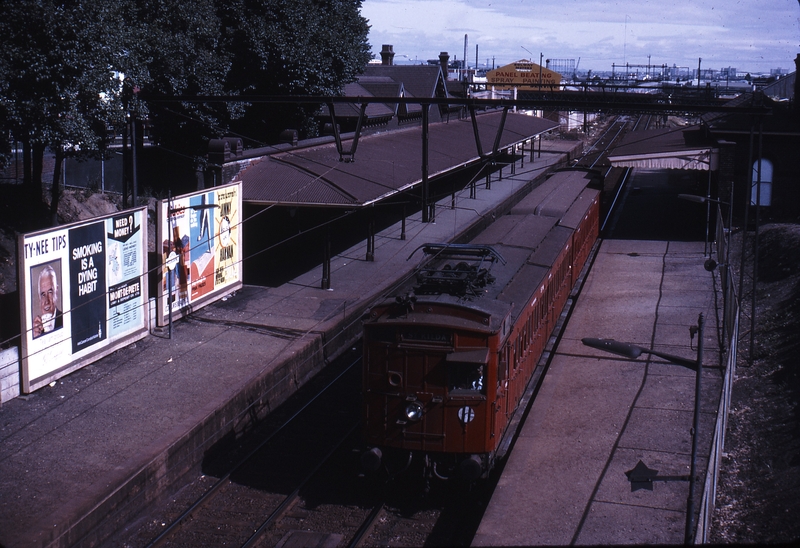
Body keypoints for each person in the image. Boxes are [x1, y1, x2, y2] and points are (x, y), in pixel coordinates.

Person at [32, 265, 63, 338]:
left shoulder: (65, 320)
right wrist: (35, 338)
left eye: (50, 292)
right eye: (43, 294)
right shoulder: (35, 329)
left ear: (56, 290)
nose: (46, 301)